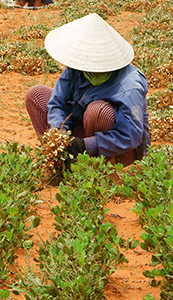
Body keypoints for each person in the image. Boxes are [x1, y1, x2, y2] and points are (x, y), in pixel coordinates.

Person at [25, 13, 150, 179]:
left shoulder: (129, 86)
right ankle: (62, 163)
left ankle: (104, 173)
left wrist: (85, 145)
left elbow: (131, 136)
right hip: (82, 133)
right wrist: (60, 133)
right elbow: (58, 103)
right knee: (36, 94)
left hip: (119, 148)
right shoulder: (77, 69)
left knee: (98, 110)